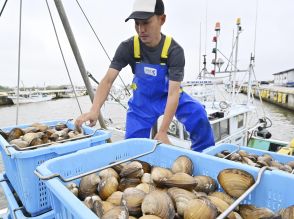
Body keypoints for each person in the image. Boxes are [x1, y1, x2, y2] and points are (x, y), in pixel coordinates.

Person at [75, 0, 215, 151]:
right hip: (142, 102)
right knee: (133, 147)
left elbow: (174, 92)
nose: (141, 29)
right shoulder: (127, 47)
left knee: (198, 114)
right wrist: (94, 110)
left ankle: (204, 155)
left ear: (162, 19)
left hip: (169, 95)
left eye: (146, 23)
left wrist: (162, 131)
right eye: (137, 23)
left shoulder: (174, 50)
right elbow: (108, 80)